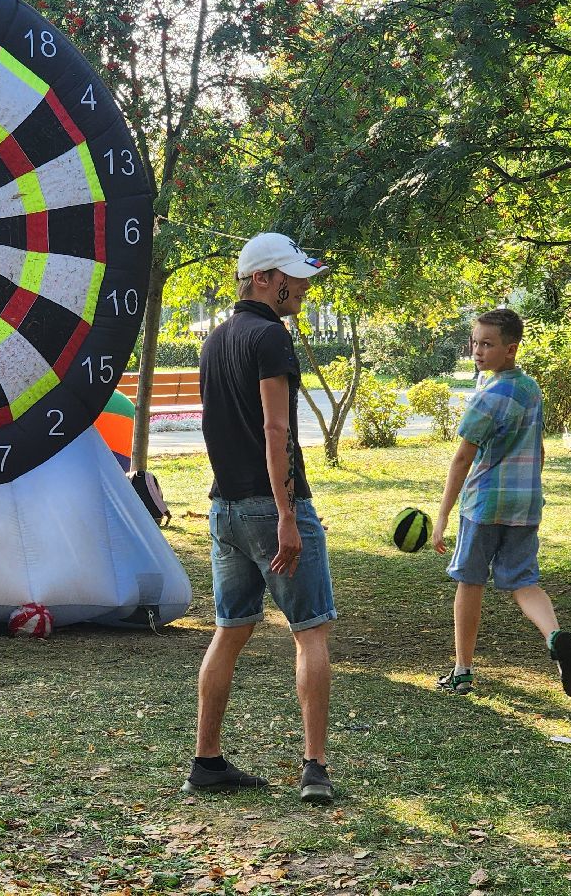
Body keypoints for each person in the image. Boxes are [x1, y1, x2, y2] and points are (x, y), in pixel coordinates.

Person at [185, 232, 336, 805]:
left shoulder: (215, 339)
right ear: (267, 279)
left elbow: (216, 427)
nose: (300, 288)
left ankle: (207, 760)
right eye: (294, 278)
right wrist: (286, 515)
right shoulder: (271, 337)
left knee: (231, 629)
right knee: (312, 631)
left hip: (223, 507)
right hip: (269, 509)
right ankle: (314, 768)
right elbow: (278, 431)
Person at [432, 308, 571, 698]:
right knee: (524, 582)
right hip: (525, 503)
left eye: (487, 344)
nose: (478, 351)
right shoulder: (529, 388)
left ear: (511, 349)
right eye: (475, 342)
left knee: (469, 582)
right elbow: (540, 449)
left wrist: (442, 516)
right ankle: (554, 636)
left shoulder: (490, 396)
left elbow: (462, 459)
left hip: (483, 504)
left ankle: (462, 670)